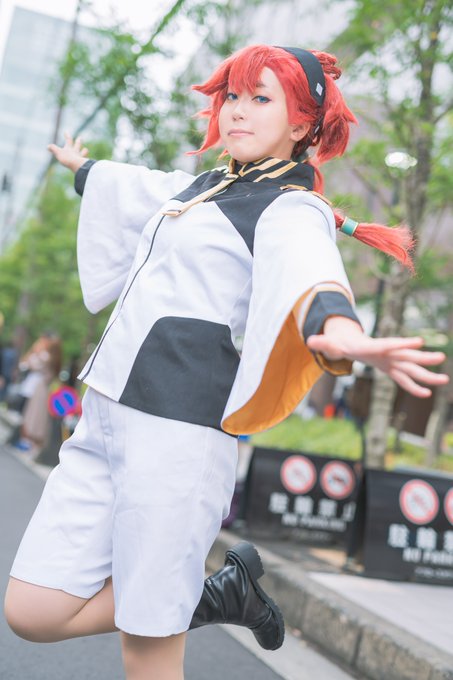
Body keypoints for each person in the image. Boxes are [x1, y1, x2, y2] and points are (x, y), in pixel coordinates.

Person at [4, 44, 448, 679]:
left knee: (147, 655)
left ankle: (188, 600)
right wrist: (84, 167)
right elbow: (133, 187)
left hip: (178, 435)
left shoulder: (290, 205)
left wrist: (340, 330)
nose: (238, 110)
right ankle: (216, 596)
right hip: (102, 416)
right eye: (233, 96)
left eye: (261, 98)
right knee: (33, 610)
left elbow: (309, 266)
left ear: (302, 124)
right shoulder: (204, 186)